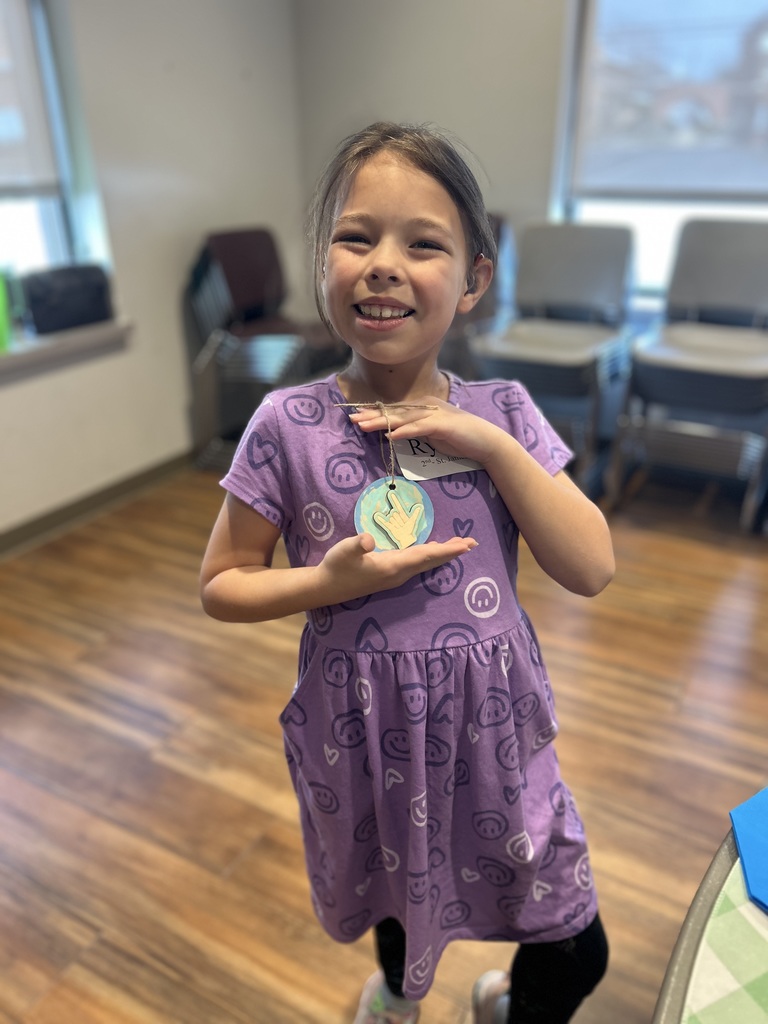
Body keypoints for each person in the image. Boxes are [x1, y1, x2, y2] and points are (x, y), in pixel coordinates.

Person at [200, 121, 615, 1024]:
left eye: (423, 244)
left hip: (496, 733)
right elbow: (223, 582)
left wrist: (492, 448)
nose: (384, 264)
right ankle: (397, 994)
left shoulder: (504, 412)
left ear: (473, 281)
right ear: (324, 263)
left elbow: (592, 567)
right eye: (356, 237)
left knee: (575, 944)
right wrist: (326, 586)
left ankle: (512, 1007)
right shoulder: (286, 423)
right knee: (398, 894)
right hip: (363, 731)